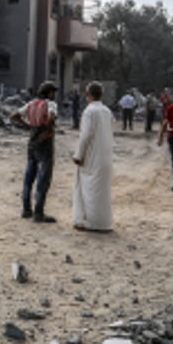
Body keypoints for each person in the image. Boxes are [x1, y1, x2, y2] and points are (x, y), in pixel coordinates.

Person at [10, 81, 59, 223]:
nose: (54, 94)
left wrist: (28, 127)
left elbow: (14, 116)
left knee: (29, 176)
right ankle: (39, 213)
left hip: (32, 139)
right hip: (45, 141)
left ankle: (26, 209)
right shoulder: (50, 104)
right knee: (43, 177)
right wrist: (48, 131)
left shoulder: (31, 104)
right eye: (53, 92)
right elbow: (51, 116)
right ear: (49, 92)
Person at [72, 81, 114, 232]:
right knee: (102, 192)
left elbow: (86, 135)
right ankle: (104, 223)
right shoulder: (107, 111)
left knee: (88, 190)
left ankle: (90, 222)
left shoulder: (90, 111)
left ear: (88, 95)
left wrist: (79, 154)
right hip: (106, 156)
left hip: (91, 157)